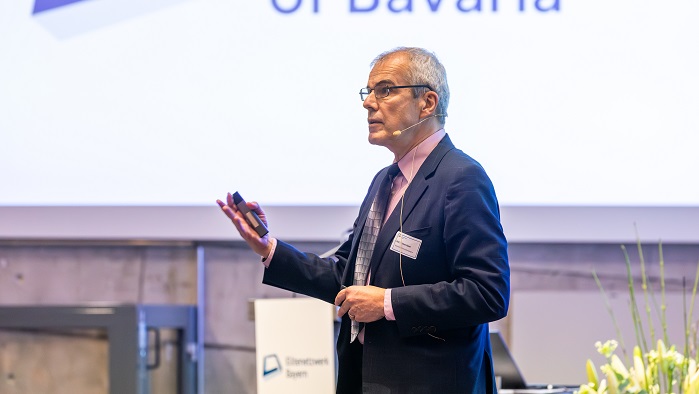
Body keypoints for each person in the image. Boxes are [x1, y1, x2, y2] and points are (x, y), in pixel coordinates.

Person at [217, 47, 510, 394]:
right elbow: (349, 278)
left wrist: (387, 304)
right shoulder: (385, 181)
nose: (369, 103)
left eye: (385, 90)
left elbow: (488, 293)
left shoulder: (461, 178)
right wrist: (269, 249)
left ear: (427, 102)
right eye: (368, 92)